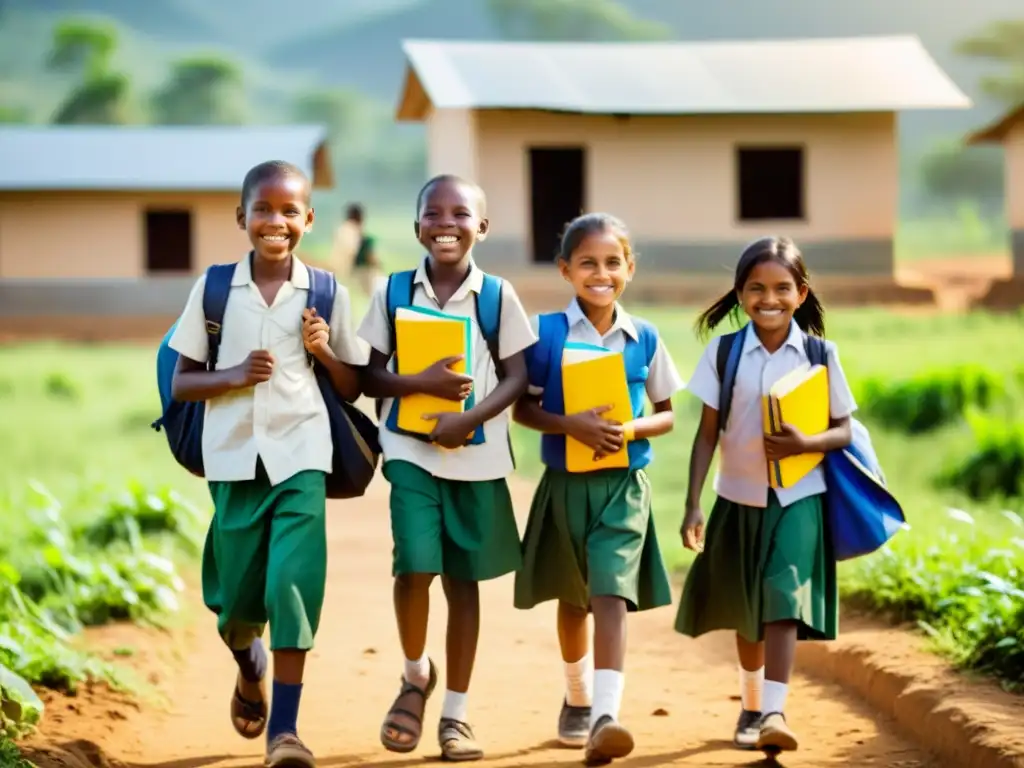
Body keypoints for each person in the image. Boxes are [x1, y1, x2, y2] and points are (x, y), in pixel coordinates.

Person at [168, 160, 365, 768]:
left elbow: (352, 386)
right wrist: (233, 375)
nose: (275, 222)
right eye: (263, 210)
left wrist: (325, 351)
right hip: (232, 459)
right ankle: (247, 661)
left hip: (302, 453)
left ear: (308, 218)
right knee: (235, 603)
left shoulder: (328, 291)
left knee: (291, 587)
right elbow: (183, 383)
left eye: (288, 211)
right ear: (242, 218)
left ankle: (285, 730)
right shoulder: (214, 288)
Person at [356, 174, 536, 762]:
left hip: (478, 457)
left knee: (464, 583)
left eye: (461, 214)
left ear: (481, 228)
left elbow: (516, 376)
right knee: (413, 566)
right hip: (409, 449)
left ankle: (455, 715)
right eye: (432, 214)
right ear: (416, 228)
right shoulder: (391, 291)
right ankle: (415, 675)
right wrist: (421, 385)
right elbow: (368, 377)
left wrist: (469, 419)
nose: (445, 223)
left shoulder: (498, 296)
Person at [674, 236, 856, 755]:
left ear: (801, 293)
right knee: (747, 609)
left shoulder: (821, 354)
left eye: (781, 288)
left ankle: (774, 709)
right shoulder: (725, 351)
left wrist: (808, 442)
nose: (768, 298)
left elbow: (843, 428)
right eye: (756, 288)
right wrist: (693, 502)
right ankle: (752, 706)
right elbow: (707, 433)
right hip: (738, 496)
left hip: (800, 497)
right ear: (738, 293)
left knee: (781, 600)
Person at [512, 213, 683, 764]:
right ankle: (578, 696)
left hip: (623, 486)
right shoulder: (545, 335)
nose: (601, 273)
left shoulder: (646, 338)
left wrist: (628, 429)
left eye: (613, 263)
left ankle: (606, 714)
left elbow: (666, 415)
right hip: (566, 483)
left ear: (629, 269)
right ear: (566, 270)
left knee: (611, 592)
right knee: (573, 595)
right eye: (587, 263)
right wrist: (571, 425)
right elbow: (524, 409)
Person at [332, 202, 380, 296]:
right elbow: (358, 254)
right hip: (355, 275)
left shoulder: (341, 230)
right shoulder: (358, 234)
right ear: (360, 218)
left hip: (338, 274)